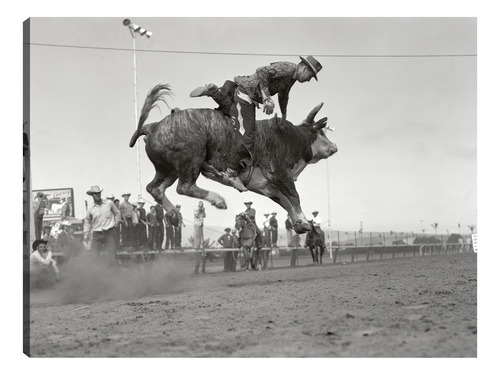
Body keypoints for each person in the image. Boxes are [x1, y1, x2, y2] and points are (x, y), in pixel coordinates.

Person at [190, 56, 322, 191]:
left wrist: (283, 116)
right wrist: (266, 97)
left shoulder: (291, 78)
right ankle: (231, 172)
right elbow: (262, 71)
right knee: (248, 136)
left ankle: (216, 92)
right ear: (305, 69)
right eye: (310, 76)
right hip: (246, 95)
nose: (308, 80)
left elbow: (283, 95)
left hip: (246, 94)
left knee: (230, 114)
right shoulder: (288, 68)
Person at [83, 185, 121, 266]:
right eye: (95, 193)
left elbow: (117, 213)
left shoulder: (109, 203)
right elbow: (87, 222)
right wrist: (86, 234)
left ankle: (115, 276)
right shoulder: (90, 208)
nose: (98, 195)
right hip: (97, 235)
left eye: (99, 193)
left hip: (109, 233)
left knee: (112, 257)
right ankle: (96, 276)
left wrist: (117, 222)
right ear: (92, 195)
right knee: (93, 257)